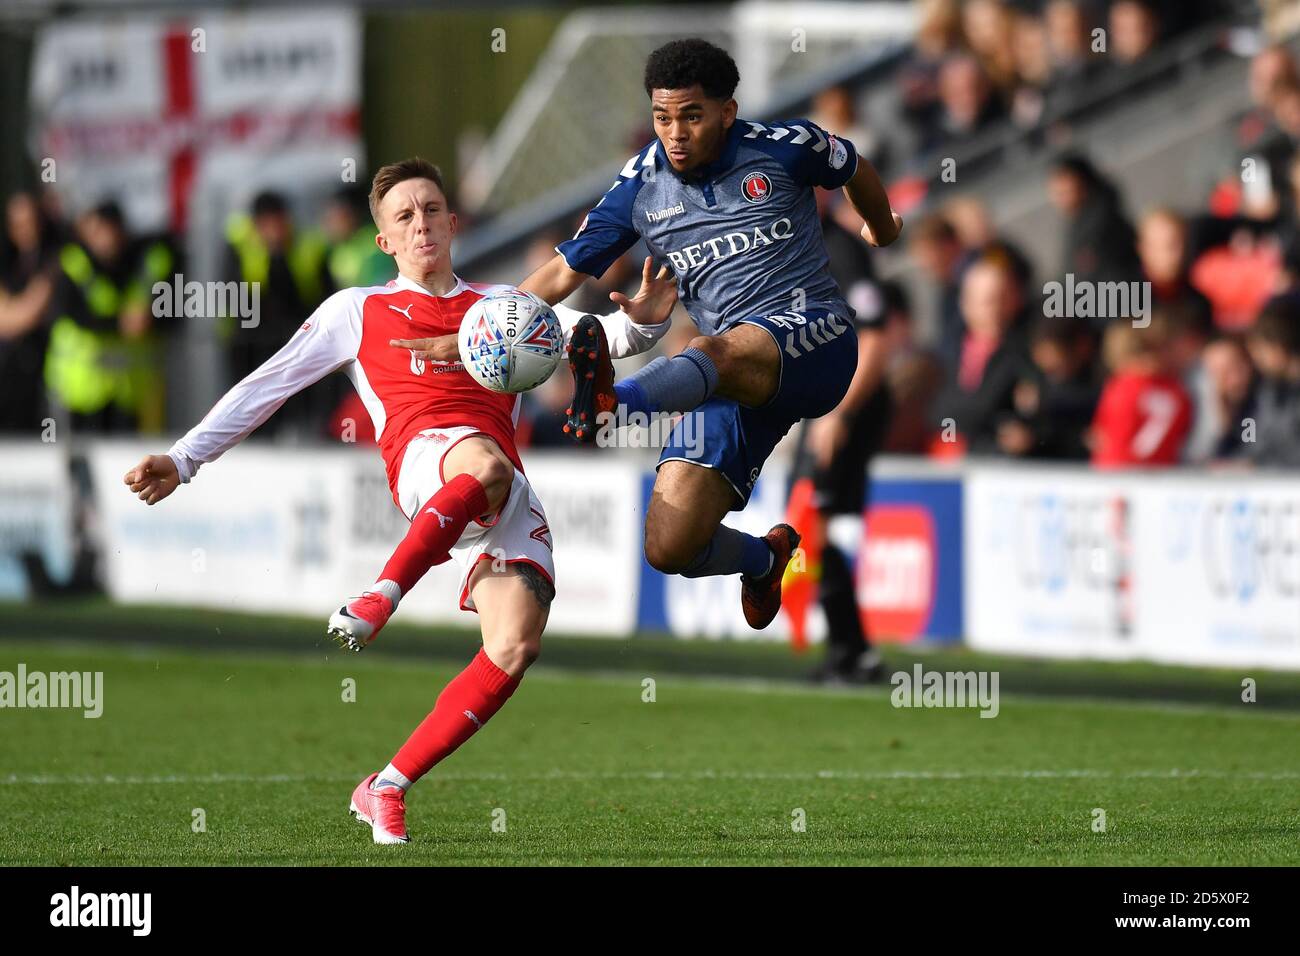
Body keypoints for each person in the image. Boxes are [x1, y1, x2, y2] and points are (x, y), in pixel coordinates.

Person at [122, 158, 676, 844]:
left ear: (453, 222)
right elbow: (267, 386)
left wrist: (648, 326)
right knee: (485, 462)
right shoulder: (357, 311)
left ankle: (386, 784)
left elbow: (602, 337)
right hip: (426, 464)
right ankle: (382, 593)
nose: (421, 225)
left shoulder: (502, 305)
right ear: (384, 240)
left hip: (499, 483)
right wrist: (184, 458)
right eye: (404, 217)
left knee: (515, 645)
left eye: (431, 210)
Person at [515, 38, 901, 630]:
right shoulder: (641, 186)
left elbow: (853, 167)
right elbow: (564, 270)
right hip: (727, 376)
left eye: (691, 116)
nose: (675, 133)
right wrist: (487, 325)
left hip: (816, 340)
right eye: (662, 117)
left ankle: (613, 402)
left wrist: (881, 227)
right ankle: (765, 558)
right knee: (669, 544)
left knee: (709, 348)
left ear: (727, 110)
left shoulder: (784, 147)